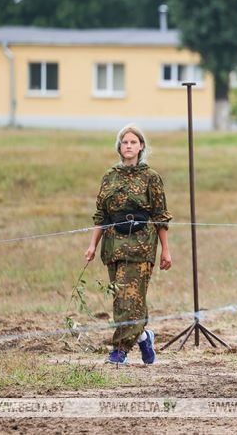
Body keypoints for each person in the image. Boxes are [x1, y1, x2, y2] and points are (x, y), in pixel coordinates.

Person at [84, 124, 172, 365]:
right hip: (113, 247)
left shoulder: (151, 177)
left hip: (141, 247)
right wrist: (92, 246)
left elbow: (160, 216)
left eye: (133, 142)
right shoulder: (110, 176)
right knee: (122, 299)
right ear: (119, 147)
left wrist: (166, 250)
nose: (129, 146)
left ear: (141, 146)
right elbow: (101, 215)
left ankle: (119, 351)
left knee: (130, 299)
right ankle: (144, 337)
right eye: (125, 142)